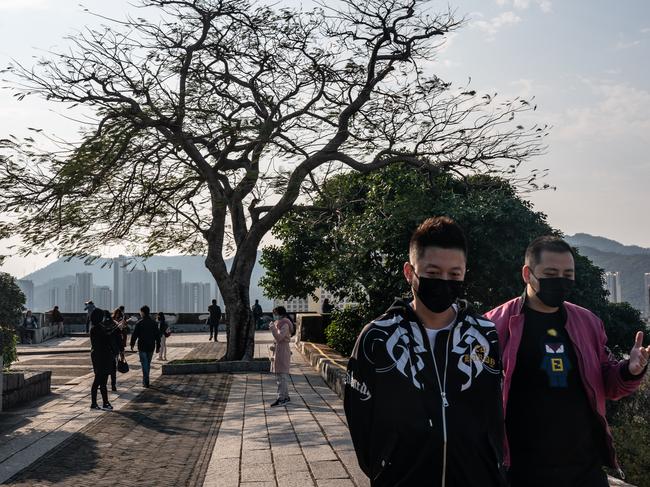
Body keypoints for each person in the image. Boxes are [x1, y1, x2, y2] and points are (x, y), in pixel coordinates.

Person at [344, 216, 506, 487]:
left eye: (455, 274)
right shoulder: (378, 337)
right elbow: (359, 413)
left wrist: (494, 465)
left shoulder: (484, 334)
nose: (444, 282)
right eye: (432, 273)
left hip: (476, 478)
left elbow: (493, 410)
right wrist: (381, 468)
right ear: (410, 272)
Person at [485, 236, 650, 487]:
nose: (560, 281)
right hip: (520, 472)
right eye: (551, 273)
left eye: (567, 274)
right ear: (527, 273)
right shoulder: (494, 326)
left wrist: (631, 370)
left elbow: (609, 384)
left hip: (584, 471)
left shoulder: (587, 323)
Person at [269, 306, 294, 407]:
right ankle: (285, 396)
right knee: (280, 375)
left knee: (282, 376)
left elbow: (279, 337)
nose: (274, 316)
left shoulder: (285, 324)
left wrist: (273, 328)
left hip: (283, 350)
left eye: (275, 313)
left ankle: (281, 398)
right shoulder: (280, 323)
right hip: (279, 349)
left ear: (280, 314)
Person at [130, 305, 161, 388]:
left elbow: (134, 335)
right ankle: (146, 380)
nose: (140, 313)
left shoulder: (139, 323)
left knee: (144, 364)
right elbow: (157, 336)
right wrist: (158, 346)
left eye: (140, 312)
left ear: (143, 312)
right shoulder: (154, 323)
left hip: (142, 346)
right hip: (151, 346)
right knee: (148, 364)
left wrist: (132, 344)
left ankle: (146, 381)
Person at [89, 308, 114, 411]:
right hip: (101, 356)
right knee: (98, 380)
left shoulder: (97, 328)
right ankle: (95, 403)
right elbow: (105, 340)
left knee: (102, 380)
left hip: (99, 355)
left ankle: (105, 402)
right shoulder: (97, 328)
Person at [102, 310, 124, 392]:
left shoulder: (100, 325)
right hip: (113, 350)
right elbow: (119, 339)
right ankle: (113, 385)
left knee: (104, 368)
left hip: (103, 350)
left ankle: (103, 384)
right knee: (113, 368)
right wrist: (121, 350)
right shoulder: (114, 324)